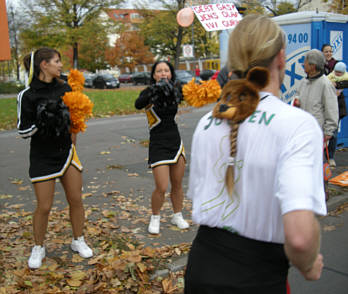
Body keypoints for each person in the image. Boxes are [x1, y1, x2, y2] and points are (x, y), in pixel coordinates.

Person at [185, 14, 326, 293]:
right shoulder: (297, 125)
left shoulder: (207, 122)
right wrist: (309, 266)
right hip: (257, 278)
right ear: (281, 58)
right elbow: (299, 238)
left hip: (200, 268)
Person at [17, 48, 93, 269]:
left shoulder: (65, 87)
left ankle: (78, 240)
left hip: (67, 153)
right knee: (44, 206)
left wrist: (73, 139)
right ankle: (39, 247)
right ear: (44, 65)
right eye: (57, 61)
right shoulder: (27, 95)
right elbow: (23, 132)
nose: (61, 65)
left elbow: (74, 119)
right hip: (42, 157)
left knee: (76, 199)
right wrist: (42, 121)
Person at [134, 60, 189, 234]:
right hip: (158, 143)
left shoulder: (176, 89)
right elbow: (138, 104)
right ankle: (155, 216)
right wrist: (153, 90)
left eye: (166, 70)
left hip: (175, 141)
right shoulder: (149, 92)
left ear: (171, 74)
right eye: (159, 71)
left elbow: (193, 94)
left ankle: (177, 214)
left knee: (178, 184)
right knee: (162, 186)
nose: (163, 73)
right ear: (154, 75)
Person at [297, 49, 338, 148]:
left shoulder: (325, 84)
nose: (303, 64)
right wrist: (297, 100)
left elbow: (332, 109)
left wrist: (328, 132)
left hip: (317, 133)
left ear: (313, 66)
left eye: (305, 62)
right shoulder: (303, 82)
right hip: (302, 132)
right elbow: (298, 97)